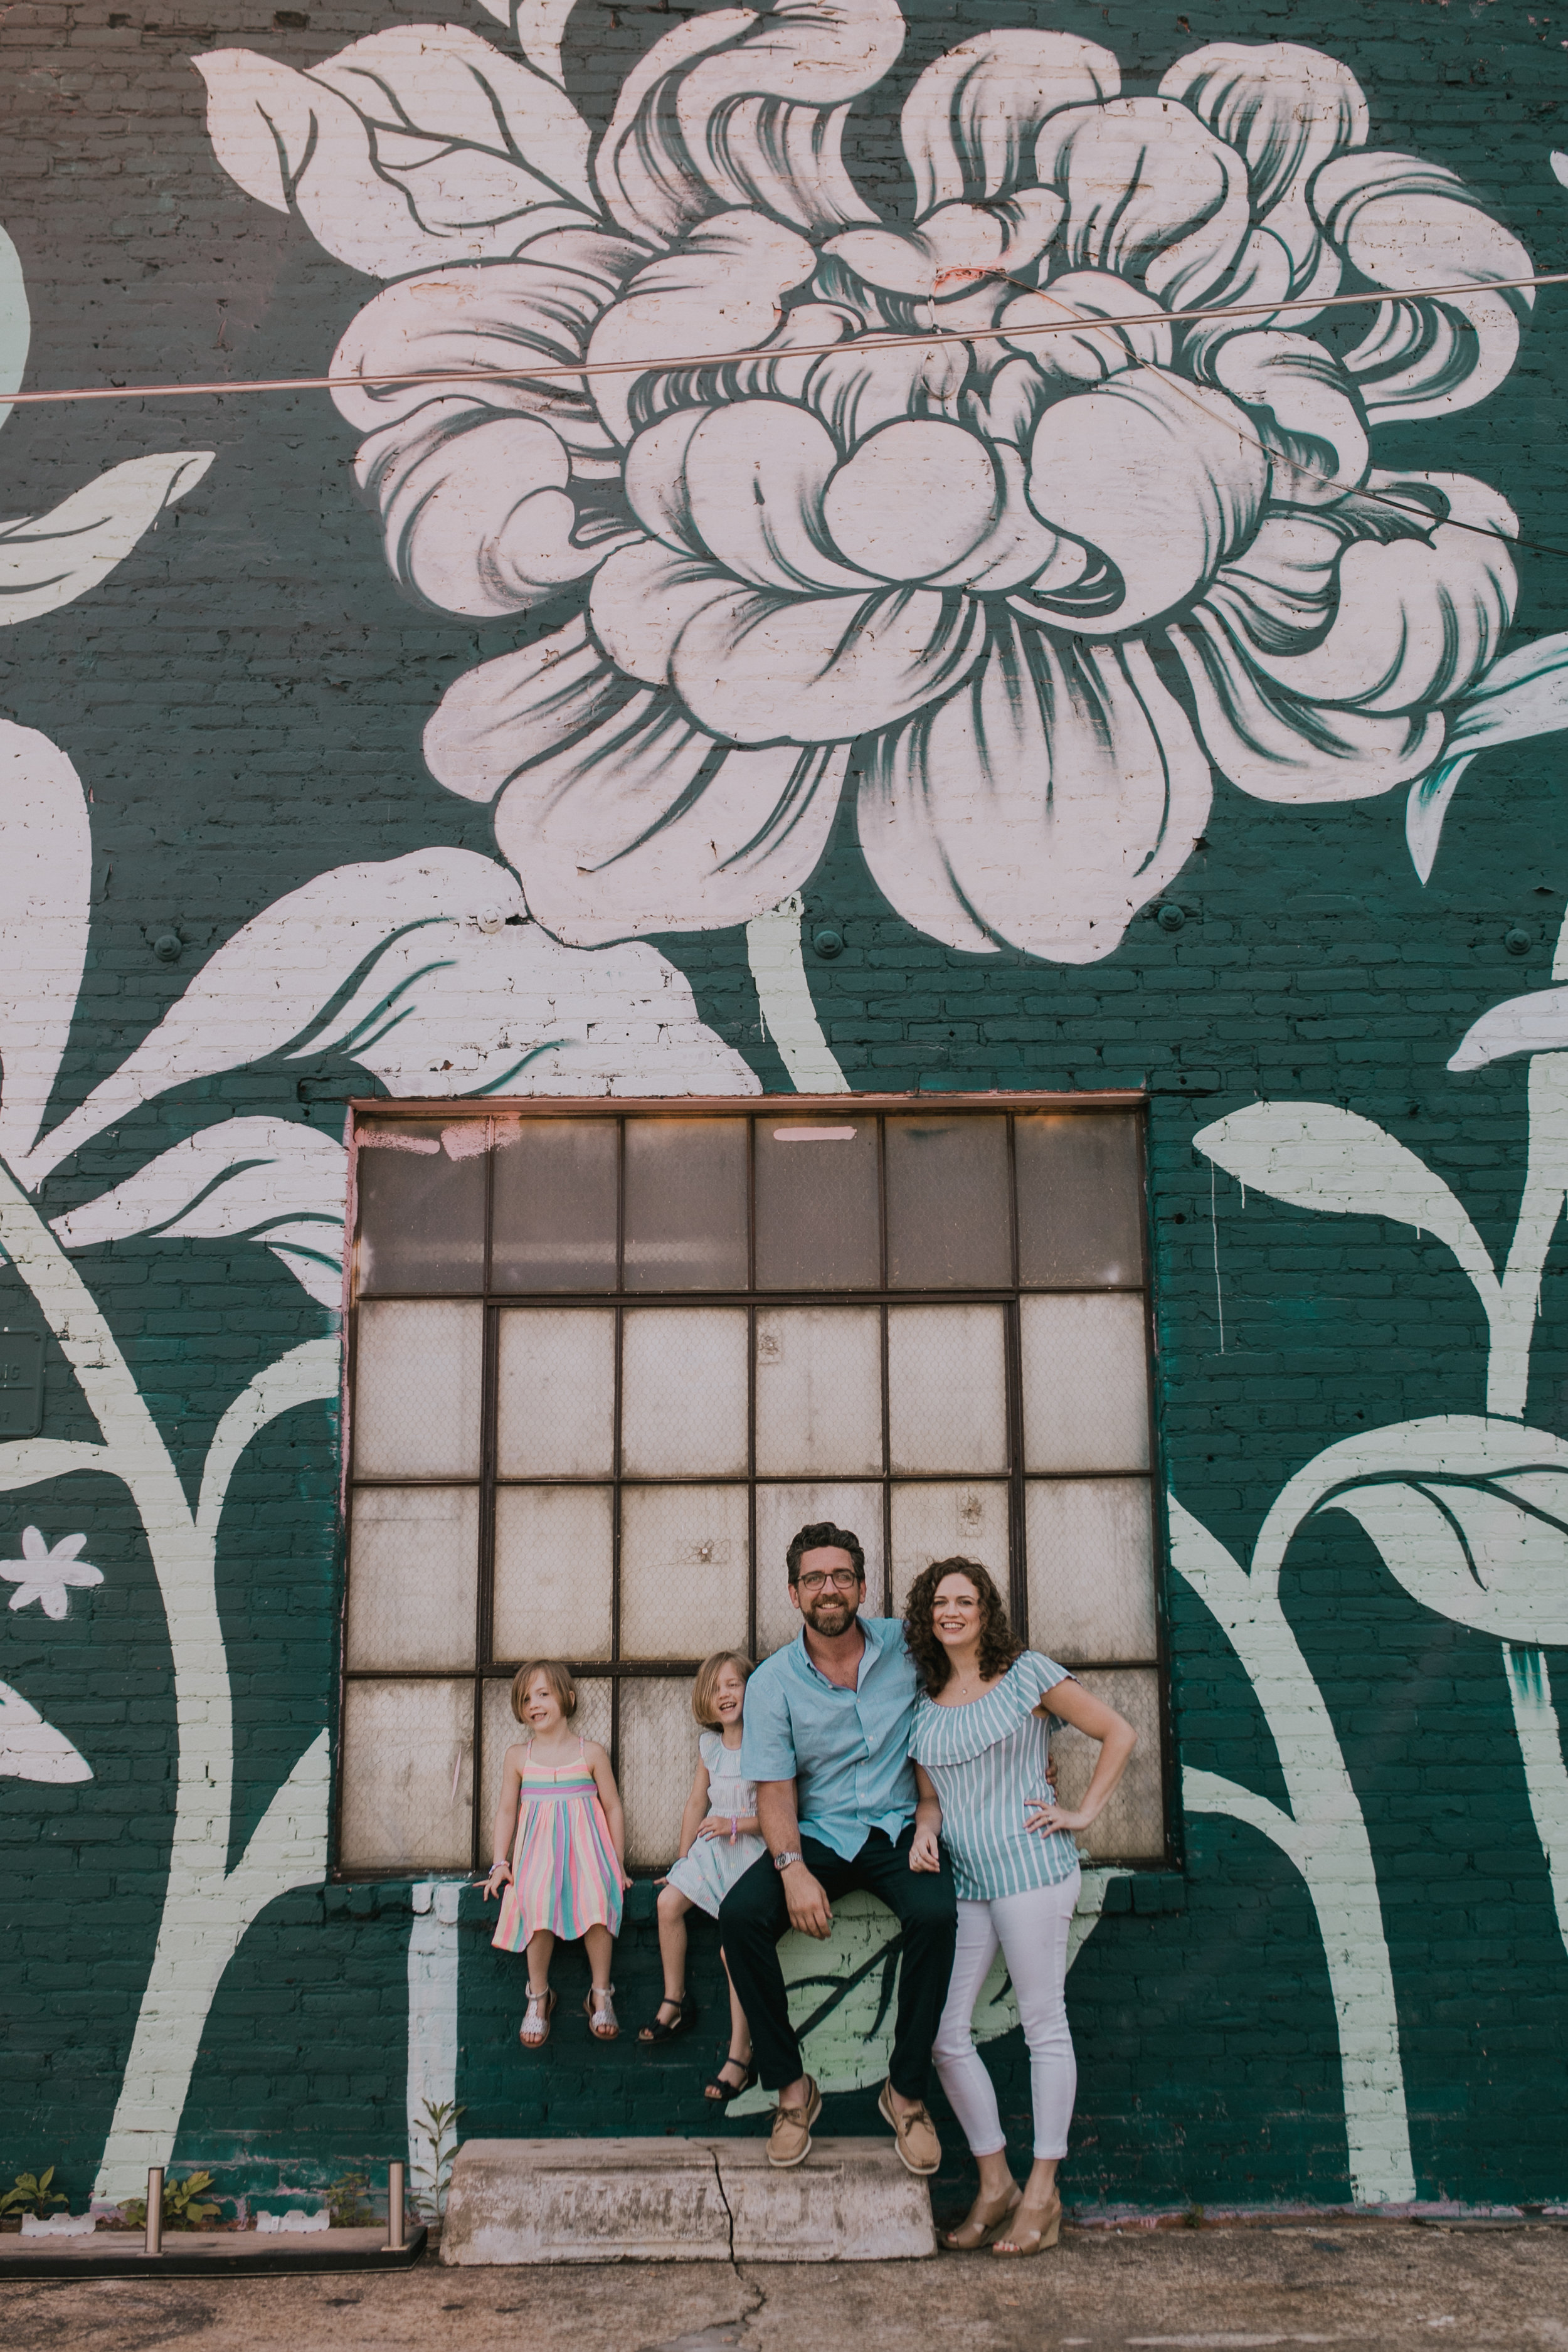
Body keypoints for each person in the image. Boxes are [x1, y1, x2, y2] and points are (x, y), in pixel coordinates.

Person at [906, 1558, 1137, 2257]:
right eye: (940, 1602)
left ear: (985, 1611)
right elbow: (931, 1796)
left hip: (1034, 1872)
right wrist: (923, 1827)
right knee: (946, 2036)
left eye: (965, 1601)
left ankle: (1043, 2194)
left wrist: (1083, 1812)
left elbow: (1118, 1733)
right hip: (970, 1879)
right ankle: (995, 2184)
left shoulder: (1027, 1675)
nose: (952, 1612)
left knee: (1044, 2026)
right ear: (928, 1614)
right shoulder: (924, 1702)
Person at [719, 1522, 957, 2173]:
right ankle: (793, 2092)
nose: (830, 1589)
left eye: (842, 1576)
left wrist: (1033, 1757)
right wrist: (791, 1868)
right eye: (815, 1579)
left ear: (860, 1585)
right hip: (818, 1833)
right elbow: (773, 1788)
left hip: (899, 1826)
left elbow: (980, 1683)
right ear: (793, 1593)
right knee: (739, 1918)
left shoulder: (908, 1648)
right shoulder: (771, 1682)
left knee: (936, 1914)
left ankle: (905, 2093)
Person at [639, 1649, 765, 2102]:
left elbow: (783, 1816)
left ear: (753, 1689)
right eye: (716, 1689)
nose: (725, 1694)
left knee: (735, 1952)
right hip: (712, 1852)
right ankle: (675, 2001)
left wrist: (735, 1824)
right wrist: (682, 1861)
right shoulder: (709, 1746)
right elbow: (697, 1804)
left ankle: (740, 2054)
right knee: (668, 1903)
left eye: (734, 1684)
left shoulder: (767, 1742)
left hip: (753, 1852)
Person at [483, 1659, 630, 2048]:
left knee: (600, 1897)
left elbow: (613, 1806)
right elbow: (505, 1811)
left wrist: (617, 1864)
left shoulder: (591, 1753)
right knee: (536, 1900)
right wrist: (500, 1862)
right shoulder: (518, 1756)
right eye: (526, 1698)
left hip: (588, 1857)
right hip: (538, 1859)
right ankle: (538, 1996)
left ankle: (600, 1992)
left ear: (568, 1698)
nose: (534, 1703)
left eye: (544, 1694)